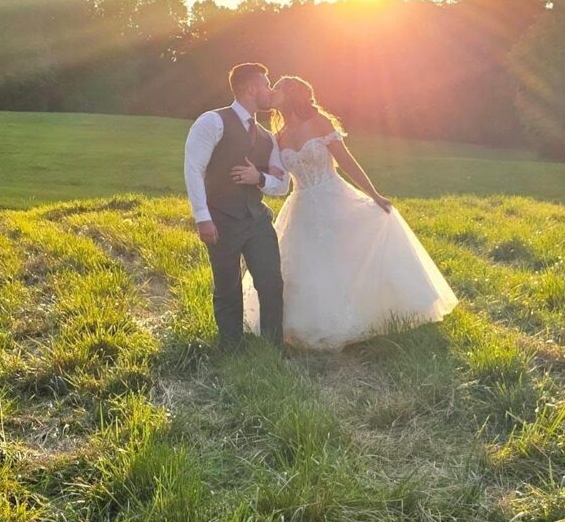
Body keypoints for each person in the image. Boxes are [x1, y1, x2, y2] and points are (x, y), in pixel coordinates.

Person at [235, 75, 457, 350]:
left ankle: (362, 313)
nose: (272, 91)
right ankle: (311, 324)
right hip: (302, 207)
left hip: (334, 196)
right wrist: (258, 176)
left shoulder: (319, 123)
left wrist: (374, 194)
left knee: (345, 256)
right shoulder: (278, 137)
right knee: (309, 265)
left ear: (291, 93)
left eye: (277, 87)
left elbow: (347, 162)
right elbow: (280, 181)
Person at [183, 62, 289, 351]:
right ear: (251, 89)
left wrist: (260, 178)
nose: (270, 91)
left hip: (257, 220)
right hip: (221, 220)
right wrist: (202, 217)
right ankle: (231, 349)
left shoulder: (268, 138)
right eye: (266, 85)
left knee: (271, 283)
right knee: (228, 287)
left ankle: (273, 348)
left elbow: (283, 185)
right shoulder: (212, 122)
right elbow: (193, 169)